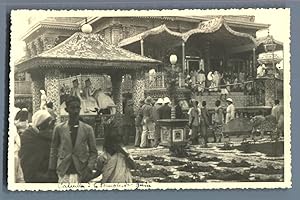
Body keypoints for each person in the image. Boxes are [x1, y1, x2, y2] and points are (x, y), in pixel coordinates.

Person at [48, 96, 98, 183]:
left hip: (81, 171)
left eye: (77, 108)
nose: (75, 111)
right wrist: (52, 169)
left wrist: (89, 168)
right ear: (66, 109)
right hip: (64, 171)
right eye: (72, 108)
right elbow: (53, 149)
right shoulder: (59, 128)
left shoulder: (88, 129)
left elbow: (93, 152)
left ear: (80, 108)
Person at [19, 110, 55, 183]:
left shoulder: (46, 137)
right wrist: (51, 178)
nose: (52, 128)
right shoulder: (30, 139)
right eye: (49, 124)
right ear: (40, 126)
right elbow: (29, 172)